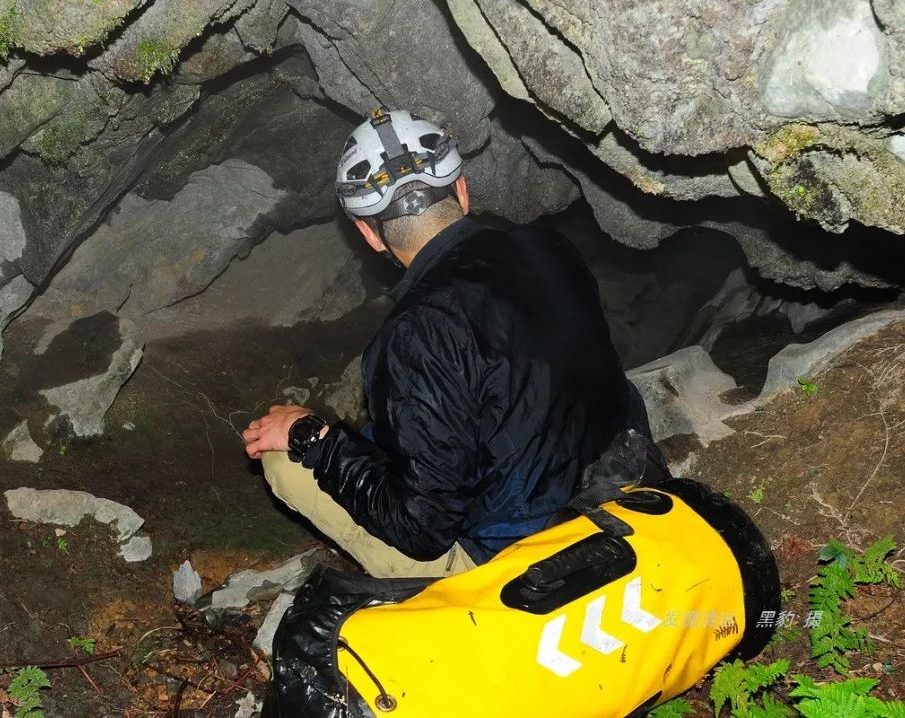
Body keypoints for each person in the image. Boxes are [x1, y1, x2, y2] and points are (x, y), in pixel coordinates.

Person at [242, 108, 649, 579]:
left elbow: (422, 528)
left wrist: (312, 437)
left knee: (283, 460)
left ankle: (451, 600)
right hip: (624, 482)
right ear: (461, 191)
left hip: (531, 558)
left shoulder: (414, 336)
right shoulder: (550, 248)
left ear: (369, 234)